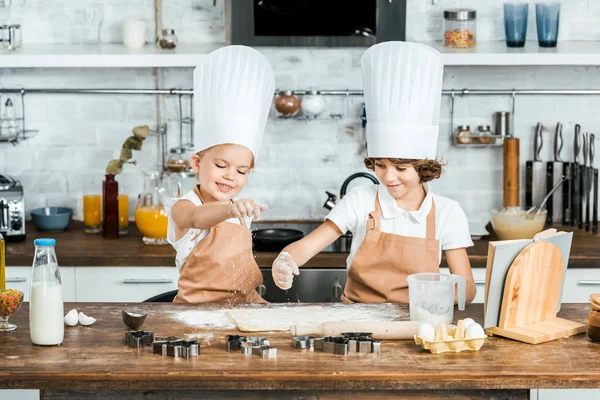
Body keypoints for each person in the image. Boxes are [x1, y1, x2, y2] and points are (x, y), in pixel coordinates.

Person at [271, 41, 476, 304]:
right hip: (354, 322)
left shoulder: (447, 212)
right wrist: (285, 260)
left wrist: (438, 293)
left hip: (416, 323)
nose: (388, 177)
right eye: (380, 165)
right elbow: (308, 246)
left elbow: (467, 288)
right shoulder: (361, 200)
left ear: (424, 168)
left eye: (401, 168)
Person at [166, 45, 275, 303]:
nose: (229, 176)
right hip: (194, 317)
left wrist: (268, 310)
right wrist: (229, 209)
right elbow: (196, 218)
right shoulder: (184, 208)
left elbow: (241, 287)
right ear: (196, 163)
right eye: (221, 165)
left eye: (240, 170)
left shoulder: (240, 214)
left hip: (240, 314)